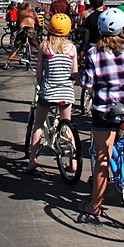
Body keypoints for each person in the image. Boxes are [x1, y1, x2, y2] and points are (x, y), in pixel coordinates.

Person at [79, 7, 124, 217]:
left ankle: (94, 206)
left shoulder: (94, 53)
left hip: (104, 111)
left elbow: (87, 83)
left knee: (102, 158)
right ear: (122, 29)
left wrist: (79, 77)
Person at [25, 13, 79, 175]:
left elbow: (40, 72)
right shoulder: (72, 48)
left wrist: (40, 84)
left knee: (39, 124)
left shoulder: (44, 46)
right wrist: (68, 85)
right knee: (67, 123)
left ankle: (32, 161)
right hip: (66, 92)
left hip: (48, 91)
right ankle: (74, 162)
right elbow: (74, 73)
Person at [6, 2, 40, 68]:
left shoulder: (20, 12)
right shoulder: (33, 12)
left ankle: (8, 63)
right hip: (30, 30)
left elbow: (18, 22)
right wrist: (39, 26)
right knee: (38, 46)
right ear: (29, 7)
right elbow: (38, 22)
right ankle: (45, 62)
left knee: (16, 47)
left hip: (22, 30)